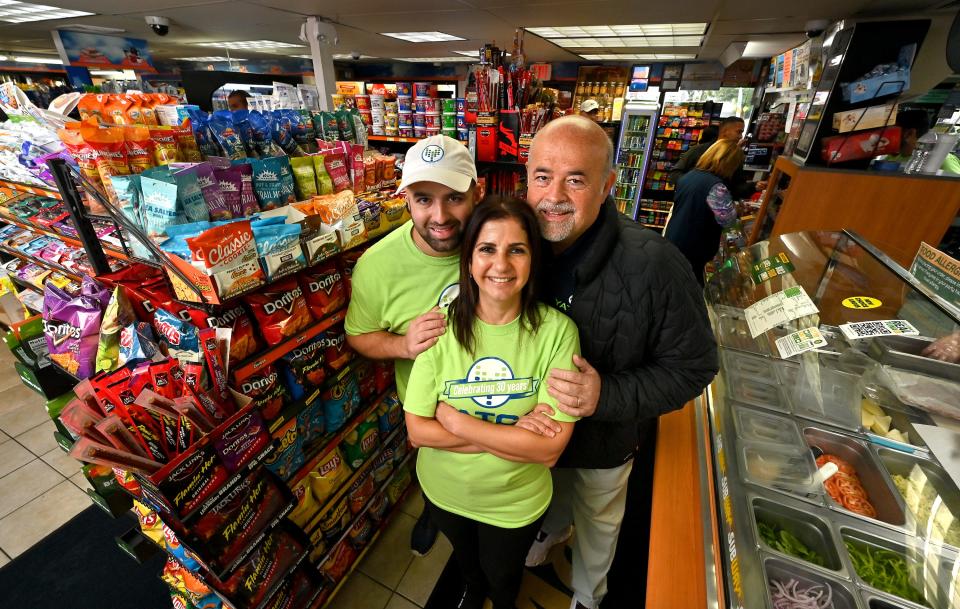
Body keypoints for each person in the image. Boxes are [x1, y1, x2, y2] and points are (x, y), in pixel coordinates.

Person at [520, 115, 719, 609]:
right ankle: (551, 532)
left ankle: (589, 595)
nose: (554, 195)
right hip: (536, 436)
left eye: (577, 179)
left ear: (608, 185)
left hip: (606, 441)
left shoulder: (655, 263)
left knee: (599, 524)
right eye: (543, 176)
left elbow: (694, 368)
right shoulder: (515, 249)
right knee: (553, 499)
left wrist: (604, 394)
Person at [403, 197, 580, 609]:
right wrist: (513, 435)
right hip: (445, 493)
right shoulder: (439, 326)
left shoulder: (558, 334)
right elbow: (417, 431)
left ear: (533, 259)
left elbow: (550, 449)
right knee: (469, 566)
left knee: (503, 576)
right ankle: (471, 589)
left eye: (516, 249)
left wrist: (456, 422)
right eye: (487, 249)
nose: (500, 265)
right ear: (468, 260)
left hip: (514, 503)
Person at [345, 134, 479, 557]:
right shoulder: (377, 265)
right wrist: (404, 345)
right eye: (424, 199)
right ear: (405, 199)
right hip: (433, 416)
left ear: (478, 193)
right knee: (440, 484)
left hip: (502, 398)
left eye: (454, 198)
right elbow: (358, 335)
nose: (439, 216)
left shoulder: (498, 241)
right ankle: (434, 513)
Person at [664, 139, 745, 284]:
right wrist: (736, 208)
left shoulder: (689, 176)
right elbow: (729, 221)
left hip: (674, 239)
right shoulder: (716, 187)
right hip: (693, 248)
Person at [883, 109, 960, 174]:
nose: (885, 136)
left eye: (891, 132)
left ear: (909, 133)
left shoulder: (942, 160)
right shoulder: (892, 158)